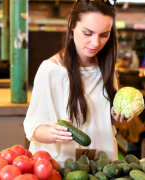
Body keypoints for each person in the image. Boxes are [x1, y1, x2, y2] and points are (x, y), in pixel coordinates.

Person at [23, 0, 131, 162]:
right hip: (63, 167)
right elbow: (32, 128)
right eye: (87, 33)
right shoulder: (51, 70)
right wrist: (52, 133)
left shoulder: (107, 68)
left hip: (103, 164)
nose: (96, 43)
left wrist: (117, 114)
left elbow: (104, 117)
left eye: (104, 35)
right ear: (71, 26)